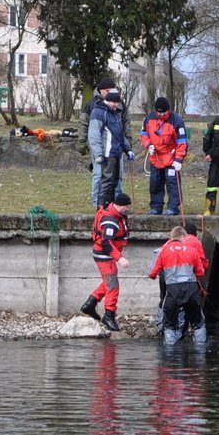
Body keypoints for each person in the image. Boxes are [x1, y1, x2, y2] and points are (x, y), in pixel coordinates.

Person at [81, 191, 133, 331]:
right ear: (120, 206)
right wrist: (120, 258)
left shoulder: (114, 214)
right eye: (127, 206)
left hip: (105, 255)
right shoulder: (110, 221)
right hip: (105, 256)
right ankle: (109, 315)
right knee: (113, 285)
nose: (128, 209)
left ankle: (90, 304)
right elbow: (106, 243)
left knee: (108, 281)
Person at [148, 226, 207, 345]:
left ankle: (170, 352)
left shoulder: (164, 251)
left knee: (170, 324)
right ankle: (201, 350)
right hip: (191, 289)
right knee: (198, 322)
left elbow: (152, 273)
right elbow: (200, 272)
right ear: (182, 237)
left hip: (173, 290)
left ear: (171, 237)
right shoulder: (192, 250)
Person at [81, 76, 128, 207]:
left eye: (111, 90)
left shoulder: (119, 105)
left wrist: (126, 145)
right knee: (99, 175)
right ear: (101, 91)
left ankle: (116, 203)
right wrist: (84, 143)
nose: (109, 92)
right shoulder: (92, 105)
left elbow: (123, 125)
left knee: (117, 177)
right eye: (107, 90)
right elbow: (87, 127)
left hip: (116, 149)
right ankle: (98, 204)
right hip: (101, 149)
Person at [140, 96, 188, 215]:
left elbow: (182, 143)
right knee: (155, 183)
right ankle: (156, 206)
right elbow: (144, 134)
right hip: (155, 157)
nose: (161, 115)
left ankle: (173, 206)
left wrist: (178, 159)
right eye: (159, 113)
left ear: (169, 110)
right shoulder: (148, 119)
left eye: (164, 113)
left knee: (172, 183)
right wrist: (149, 145)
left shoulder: (177, 121)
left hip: (171, 158)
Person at [90, 90, 135, 208]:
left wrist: (128, 149)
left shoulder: (116, 114)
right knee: (106, 181)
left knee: (114, 182)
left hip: (117, 153)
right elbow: (94, 135)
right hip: (106, 154)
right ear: (106, 101)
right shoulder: (98, 113)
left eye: (117, 102)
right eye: (112, 102)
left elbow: (119, 134)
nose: (115, 104)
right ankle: (100, 208)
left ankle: (110, 207)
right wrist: (98, 154)